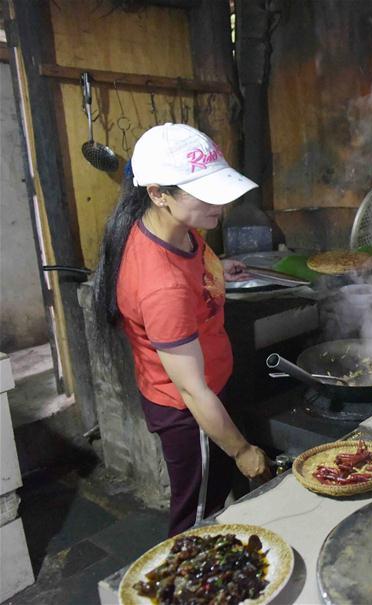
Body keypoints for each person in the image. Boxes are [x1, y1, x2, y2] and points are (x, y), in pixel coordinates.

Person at [94, 123, 271, 537]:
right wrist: (243, 450)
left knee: (213, 500)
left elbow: (188, 267)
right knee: (196, 519)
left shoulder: (177, 228)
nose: (221, 205)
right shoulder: (162, 286)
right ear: (158, 193)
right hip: (189, 411)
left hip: (207, 391)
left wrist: (216, 270)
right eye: (206, 193)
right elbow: (193, 390)